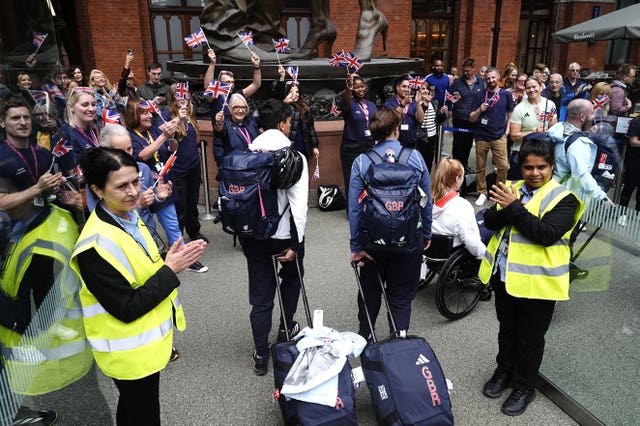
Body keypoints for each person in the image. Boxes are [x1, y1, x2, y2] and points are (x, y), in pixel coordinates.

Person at [71, 147, 206, 425]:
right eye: (121, 186)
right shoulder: (92, 247)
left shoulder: (128, 216)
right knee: (143, 413)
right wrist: (171, 269)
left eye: (135, 181)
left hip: (143, 347)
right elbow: (126, 307)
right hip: (127, 354)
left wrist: (167, 260)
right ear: (97, 190)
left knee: (135, 408)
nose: (133, 192)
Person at [478, 138, 583, 417]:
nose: (534, 173)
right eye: (528, 167)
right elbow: (489, 221)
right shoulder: (513, 189)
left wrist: (512, 208)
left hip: (539, 283)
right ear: (520, 167)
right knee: (507, 329)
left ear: (552, 166)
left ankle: (524, 386)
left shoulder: (565, 199)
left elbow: (546, 234)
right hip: (505, 275)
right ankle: (504, 371)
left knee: (530, 338)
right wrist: (508, 206)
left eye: (541, 167)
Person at [239, 99, 308, 376]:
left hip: (253, 234)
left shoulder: (247, 152)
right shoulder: (294, 156)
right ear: (282, 123)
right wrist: (296, 244)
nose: (290, 127)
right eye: (290, 122)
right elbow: (299, 208)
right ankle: (285, 331)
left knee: (261, 294)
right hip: (283, 236)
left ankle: (260, 353)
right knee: (292, 278)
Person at [349, 108, 432, 339]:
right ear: (397, 129)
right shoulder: (414, 157)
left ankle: (365, 337)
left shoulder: (362, 161)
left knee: (369, 293)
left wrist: (356, 247)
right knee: (401, 296)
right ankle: (399, 338)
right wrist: (426, 233)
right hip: (409, 240)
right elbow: (426, 200)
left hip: (372, 243)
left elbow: (355, 208)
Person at [162, 87, 210, 244]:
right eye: (178, 95)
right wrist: (178, 119)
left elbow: (194, 137)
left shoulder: (191, 113)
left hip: (193, 165)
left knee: (192, 201)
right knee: (180, 205)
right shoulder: (167, 115)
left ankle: (194, 231)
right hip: (178, 168)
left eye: (185, 94)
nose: (183, 98)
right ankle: (178, 238)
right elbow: (165, 135)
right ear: (173, 98)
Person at [548, 99, 611, 204]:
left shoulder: (557, 130)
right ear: (582, 117)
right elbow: (582, 175)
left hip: (551, 189)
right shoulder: (578, 143)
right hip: (565, 196)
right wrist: (602, 197)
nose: (593, 117)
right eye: (592, 113)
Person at [469, 67, 514, 206]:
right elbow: (471, 118)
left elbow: (510, 113)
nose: (491, 80)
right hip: (482, 136)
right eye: (488, 78)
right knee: (480, 166)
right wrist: (479, 110)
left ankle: (498, 193)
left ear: (498, 77)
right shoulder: (479, 95)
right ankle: (482, 192)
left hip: (499, 135)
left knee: (503, 166)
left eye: (493, 77)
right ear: (485, 79)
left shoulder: (506, 94)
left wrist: (507, 130)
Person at [431, 158, 485, 259]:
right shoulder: (462, 207)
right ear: (457, 179)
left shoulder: (427, 200)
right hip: (451, 252)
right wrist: (485, 255)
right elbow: (472, 243)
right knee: (485, 230)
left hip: (429, 249)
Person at [508, 75, 557, 180]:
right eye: (528, 88)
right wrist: (534, 132)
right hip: (522, 152)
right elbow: (513, 136)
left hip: (543, 152)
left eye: (534, 87)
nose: (531, 90)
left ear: (540, 87)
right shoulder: (519, 108)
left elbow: (554, 129)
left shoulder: (550, 104)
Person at [340, 73, 377, 206]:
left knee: (369, 178)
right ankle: (353, 211)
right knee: (352, 180)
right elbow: (344, 104)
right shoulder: (350, 104)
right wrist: (349, 87)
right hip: (352, 147)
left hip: (369, 146)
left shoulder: (371, 105)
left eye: (362, 86)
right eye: (357, 87)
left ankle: (368, 207)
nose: (360, 89)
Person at [275, 67, 320, 161]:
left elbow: (311, 129)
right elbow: (277, 95)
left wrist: (315, 146)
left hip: (303, 147)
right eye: (291, 92)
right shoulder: (283, 106)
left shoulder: (304, 107)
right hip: (289, 148)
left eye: (297, 92)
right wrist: (282, 77)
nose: (295, 94)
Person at [450, 57, 485, 168]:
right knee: (458, 143)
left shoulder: (481, 82)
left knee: (468, 143)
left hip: (473, 118)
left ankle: (464, 165)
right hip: (459, 118)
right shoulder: (457, 83)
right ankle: (455, 165)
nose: (465, 73)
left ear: (474, 69)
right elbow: (451, 98)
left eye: (468, 71)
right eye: (464, 70)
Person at [213, 93, 260, 171]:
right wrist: (219, 123)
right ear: (230, 110)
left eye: (243, 107)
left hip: (254, 166)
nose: (240, 110)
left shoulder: (251, 122)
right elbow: (220, 131)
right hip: (235, 169)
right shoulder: (227, 124)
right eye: (236, 107)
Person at [383, 75, 424, 148]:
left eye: (409, 87)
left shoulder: (413, 102)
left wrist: (418, 103)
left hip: (411, 144)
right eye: (404, 86)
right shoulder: (390, 103)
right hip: (394, 144)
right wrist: (403, 104)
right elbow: (392, 118)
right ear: (397, 88)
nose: (407, 89)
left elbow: (421, 120)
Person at [416, 81, 447, 172]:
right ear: (418, 90)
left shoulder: (433, 102)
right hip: (420, 137)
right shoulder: (415, 104)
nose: (426, 91)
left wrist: (441, 113)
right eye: (423, 88)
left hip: (432, 136)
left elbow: (438, 120)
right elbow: (418, 120)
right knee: (419, 161)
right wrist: (423, 104)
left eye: (427, 89)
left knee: (429, 161)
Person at [619, 116, 640, 225]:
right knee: (629, 186)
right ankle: (622, 213)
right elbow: (633, 141)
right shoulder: (637, 121)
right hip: (634, 159)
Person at [609, 63, 636, 129]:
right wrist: (628, 106)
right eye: (632, 77)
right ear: (624, 77)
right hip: (612, 124)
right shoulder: (618, 90)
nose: (633, 79)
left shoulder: (612, 85)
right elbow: (615, 110)